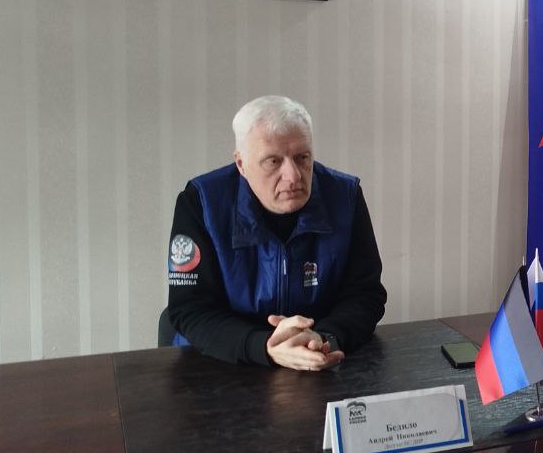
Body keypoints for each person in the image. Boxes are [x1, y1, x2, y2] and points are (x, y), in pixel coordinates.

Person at [163, 95, 385, 369]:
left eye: (302, 157)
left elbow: (365, 294)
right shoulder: (201, 202)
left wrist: (324, 339)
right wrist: (265, 346)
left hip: (318, 357)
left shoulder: (345, 197)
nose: (293, 176)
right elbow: (190, 309)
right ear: (241, 164)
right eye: (273, 161)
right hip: (221, 362)